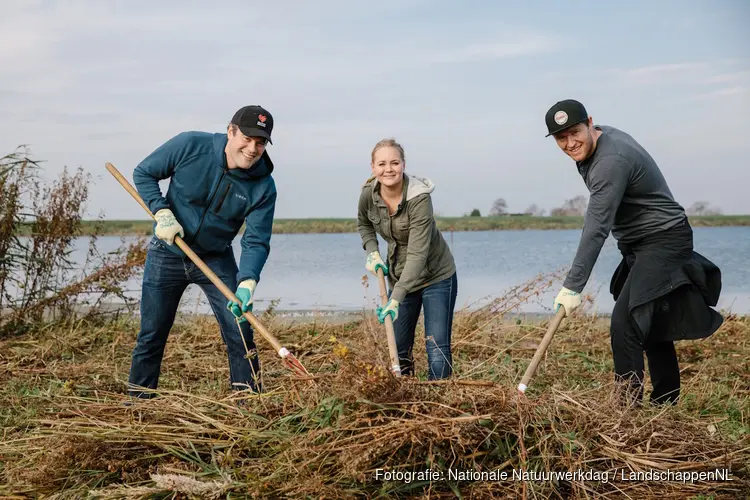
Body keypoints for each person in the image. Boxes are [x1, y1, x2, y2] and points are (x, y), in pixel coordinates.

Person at [544, 99, 723, 406]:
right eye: (561, 138)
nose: (570, 143)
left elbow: (596, 227)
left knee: (625, 323)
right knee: (650, 319)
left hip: (663, 240)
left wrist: (573, 286)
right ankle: (666, 401)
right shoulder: (597, 143)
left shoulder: (611, 161)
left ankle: (626, 412)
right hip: (641, 242)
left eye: (575, 132)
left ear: (589, 122)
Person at [127, 105, 277, 398]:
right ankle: (138, 406)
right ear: (231, 131)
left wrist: (247, 283)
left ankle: (248, 402)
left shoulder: (263, 186)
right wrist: (162, 213)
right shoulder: (191, 145)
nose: (252, 148)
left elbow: (256, 240)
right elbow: (144, 173)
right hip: (167, 251)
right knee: (152, 333)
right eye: (247, 138)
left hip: (216, 258)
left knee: (240, 330)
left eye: (260, 142)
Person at [357, 138, 458, 380]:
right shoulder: (368, 195)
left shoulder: (419, 198)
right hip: (399, 274)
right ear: (373, 167)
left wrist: (395, 297)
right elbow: (364, 224)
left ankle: (441, 403)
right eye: (381, 163)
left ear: (403, 164)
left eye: (394, 162)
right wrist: (372, 251)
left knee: (436, 347)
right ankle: (406, 398)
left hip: (436, 276)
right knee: (399, 349)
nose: (388, 169)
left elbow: (418, 253)